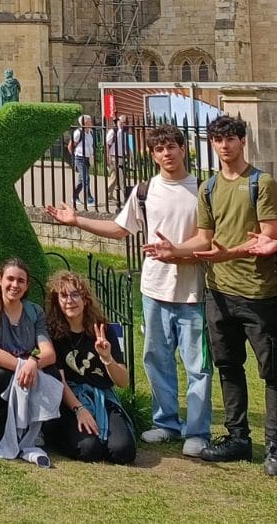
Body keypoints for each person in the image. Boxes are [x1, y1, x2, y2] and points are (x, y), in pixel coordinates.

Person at [46, 124, 210, 457]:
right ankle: (166, 423)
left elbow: (210, 239)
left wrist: (176, 250)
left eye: (172, 147)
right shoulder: (145, 191)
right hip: (153, 288)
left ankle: (198, 431)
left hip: (192, 291)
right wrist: (77, 221)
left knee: (197, 365)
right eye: (160, 149)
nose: (167, 153)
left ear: (184, 149)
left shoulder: (202, 190)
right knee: (156, 359)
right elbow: (120, 229)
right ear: (152, 154)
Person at [144, 115, 277, 474]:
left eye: (230, 139)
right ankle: (237, 438)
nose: (224, 146)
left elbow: (267, 238)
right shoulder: (209, 188)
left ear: (241, 141)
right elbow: (204, 239)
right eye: (218, 140)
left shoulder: (261, 183)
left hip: (258, 292)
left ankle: (274, 447)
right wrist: (175, 252)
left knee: (270, 371)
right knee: (228, 368)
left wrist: (227, 254)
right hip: (218, 291)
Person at [44, 271, 136, 464]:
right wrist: (79, 409)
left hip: (102, 396)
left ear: (85, 299)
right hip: (71, 399)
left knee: (123, 452)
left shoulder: (103, 330)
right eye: (64, 296)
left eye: (75, 294)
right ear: (57, 302)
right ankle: (57, 432)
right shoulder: (53, 334)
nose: (70, 300)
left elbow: (123, 382)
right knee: (89, 450)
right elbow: (60, 380)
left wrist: (107, 358)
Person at [0, 258, 57, 443]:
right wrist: (22, 365)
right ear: (0, 279)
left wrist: (33, 362)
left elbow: (49, 353)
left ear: (27, 286)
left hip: (26, 371)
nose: (15, 285)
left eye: (21, 281)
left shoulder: (35, 312)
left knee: (51, 372)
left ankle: (33, 422)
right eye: (10, 279)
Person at [69, 114, 96, 206]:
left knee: (82, 180)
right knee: (86, 178)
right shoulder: (78, 133)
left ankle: (74, 197)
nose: (91, 122)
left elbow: (91, 145)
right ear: (85, 123)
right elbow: (70, 146)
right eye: (90, 121)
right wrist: (74, 157)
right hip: (79, 158)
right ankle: (89, 199)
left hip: (87, 158)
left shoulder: (91, 132)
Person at [105, 115, 131, 205]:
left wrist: (129, 153)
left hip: (122, 156)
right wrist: (108, 157)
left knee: (115, 177)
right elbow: (107, 144)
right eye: (122, 121)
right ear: (118, 121)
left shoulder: (124, 132)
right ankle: (126, 196)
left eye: (125, 122)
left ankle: (109, 195)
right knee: (119, 177)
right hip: (113, 156)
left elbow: (125, 144)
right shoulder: (113, 131)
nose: (123, 123)